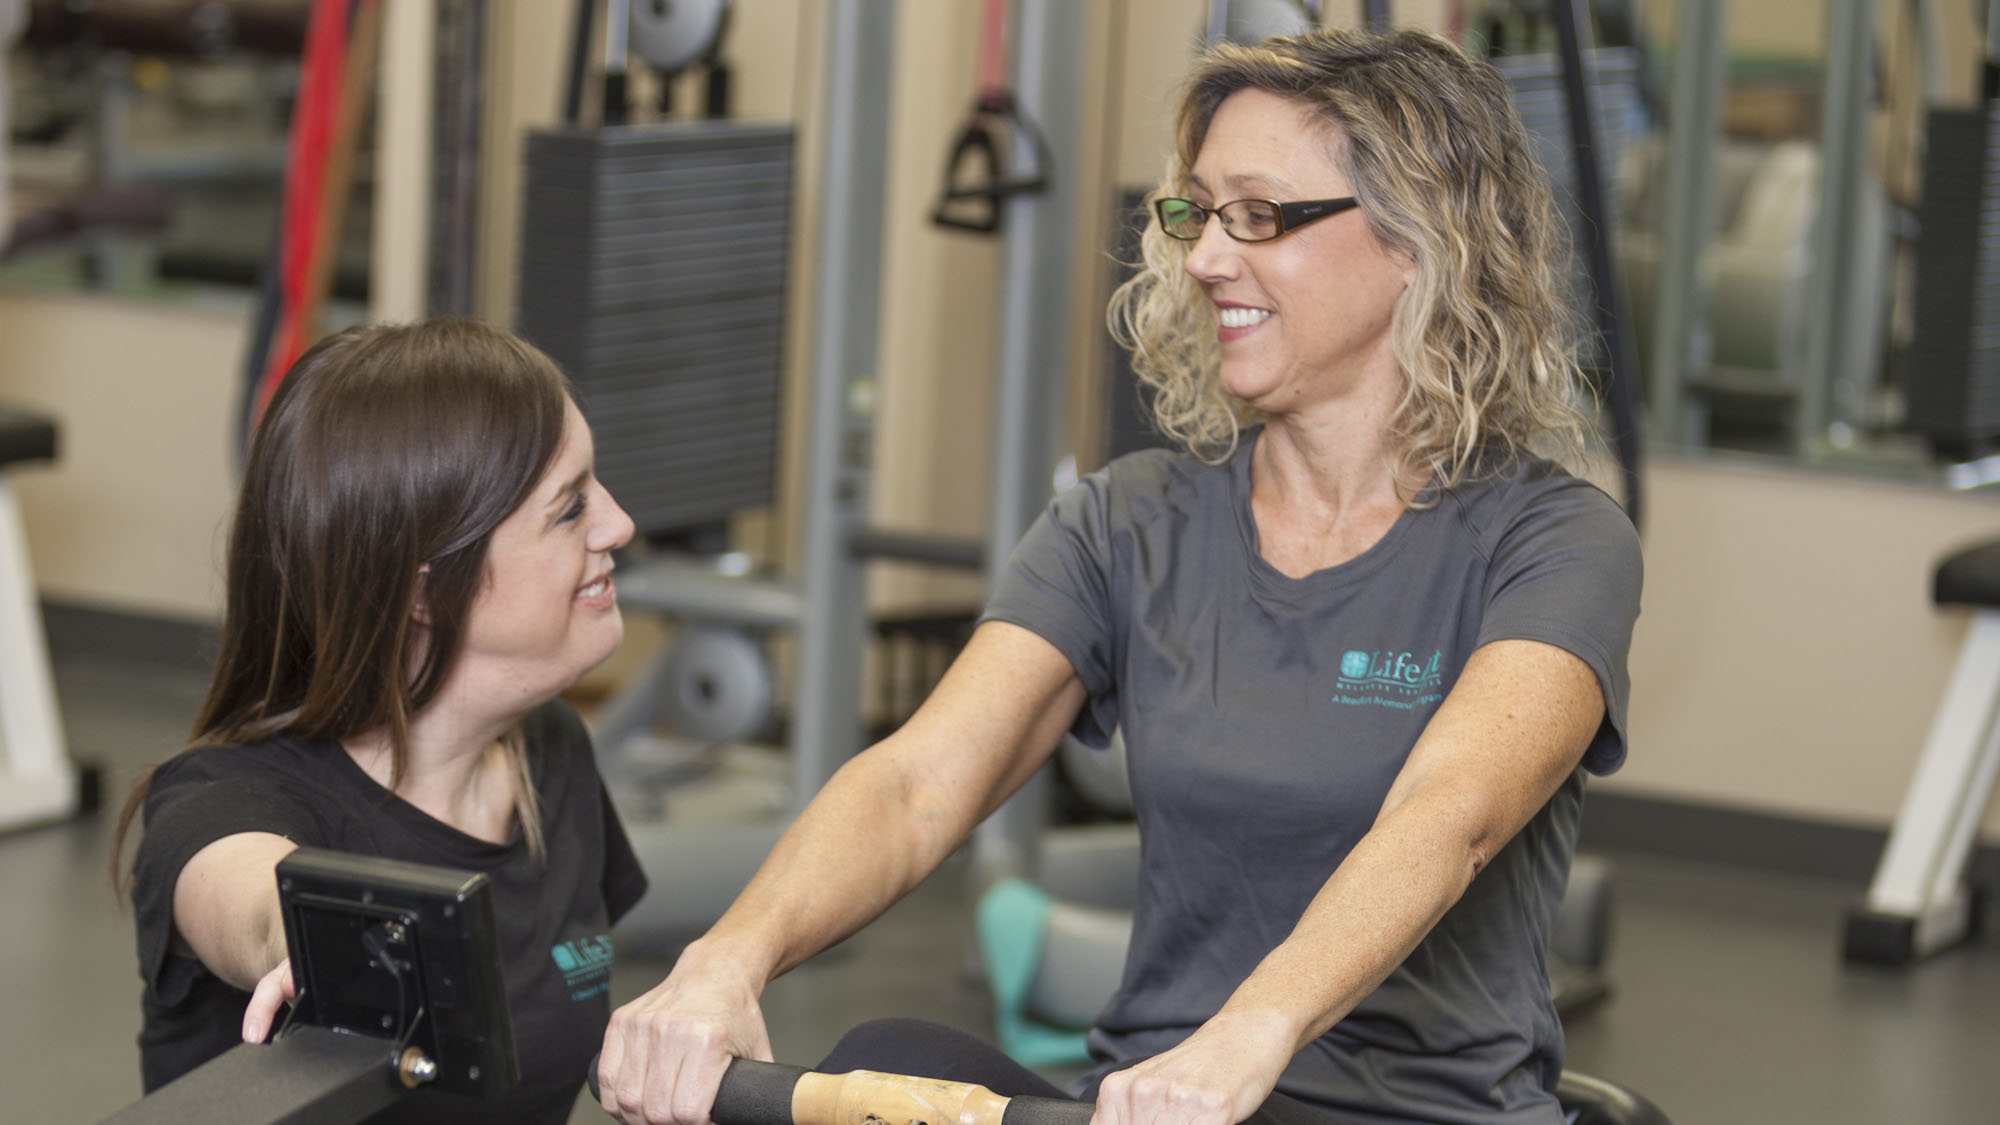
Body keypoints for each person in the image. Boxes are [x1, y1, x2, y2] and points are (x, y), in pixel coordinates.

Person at [597, 26, 1641, 1125]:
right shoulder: (1127, 523)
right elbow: (916, 785)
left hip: (1407, 1112)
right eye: (1198, 212)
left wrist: (1249, 1033)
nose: (1200, 258)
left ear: (1414, 242)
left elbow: (1448, 817)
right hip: (1150, 1106)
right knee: (880, 1054)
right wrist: (726, 961)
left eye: (1258, 214)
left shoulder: (1551, 542)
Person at [110, 319, 649, 1123]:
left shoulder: (550, 754)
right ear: (423, 590)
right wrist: (310, 938)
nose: (618, 525)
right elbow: (250, 899)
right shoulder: (220, 798)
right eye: (570, 510)